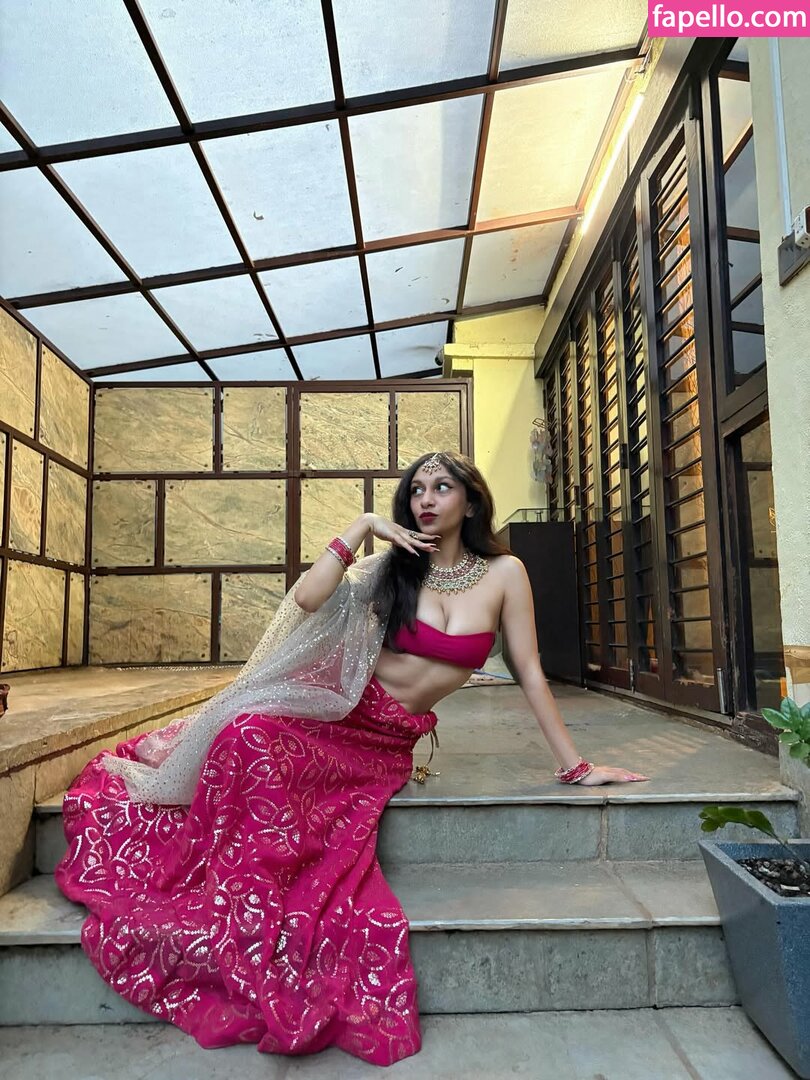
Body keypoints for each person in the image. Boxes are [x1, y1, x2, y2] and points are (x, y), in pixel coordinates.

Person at [55, 451, 649, 1067]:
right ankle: (236, 880)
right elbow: (307, 599)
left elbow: (528, 668)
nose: (426, 499)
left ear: (470, 500)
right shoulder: (392, 567)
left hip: (384, 742)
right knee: (245, 734)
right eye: (416, 489)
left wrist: (575, 764)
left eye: (442, 487)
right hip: (338, 711)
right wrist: (363, 526)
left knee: (257, 749)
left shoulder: (505, 573)